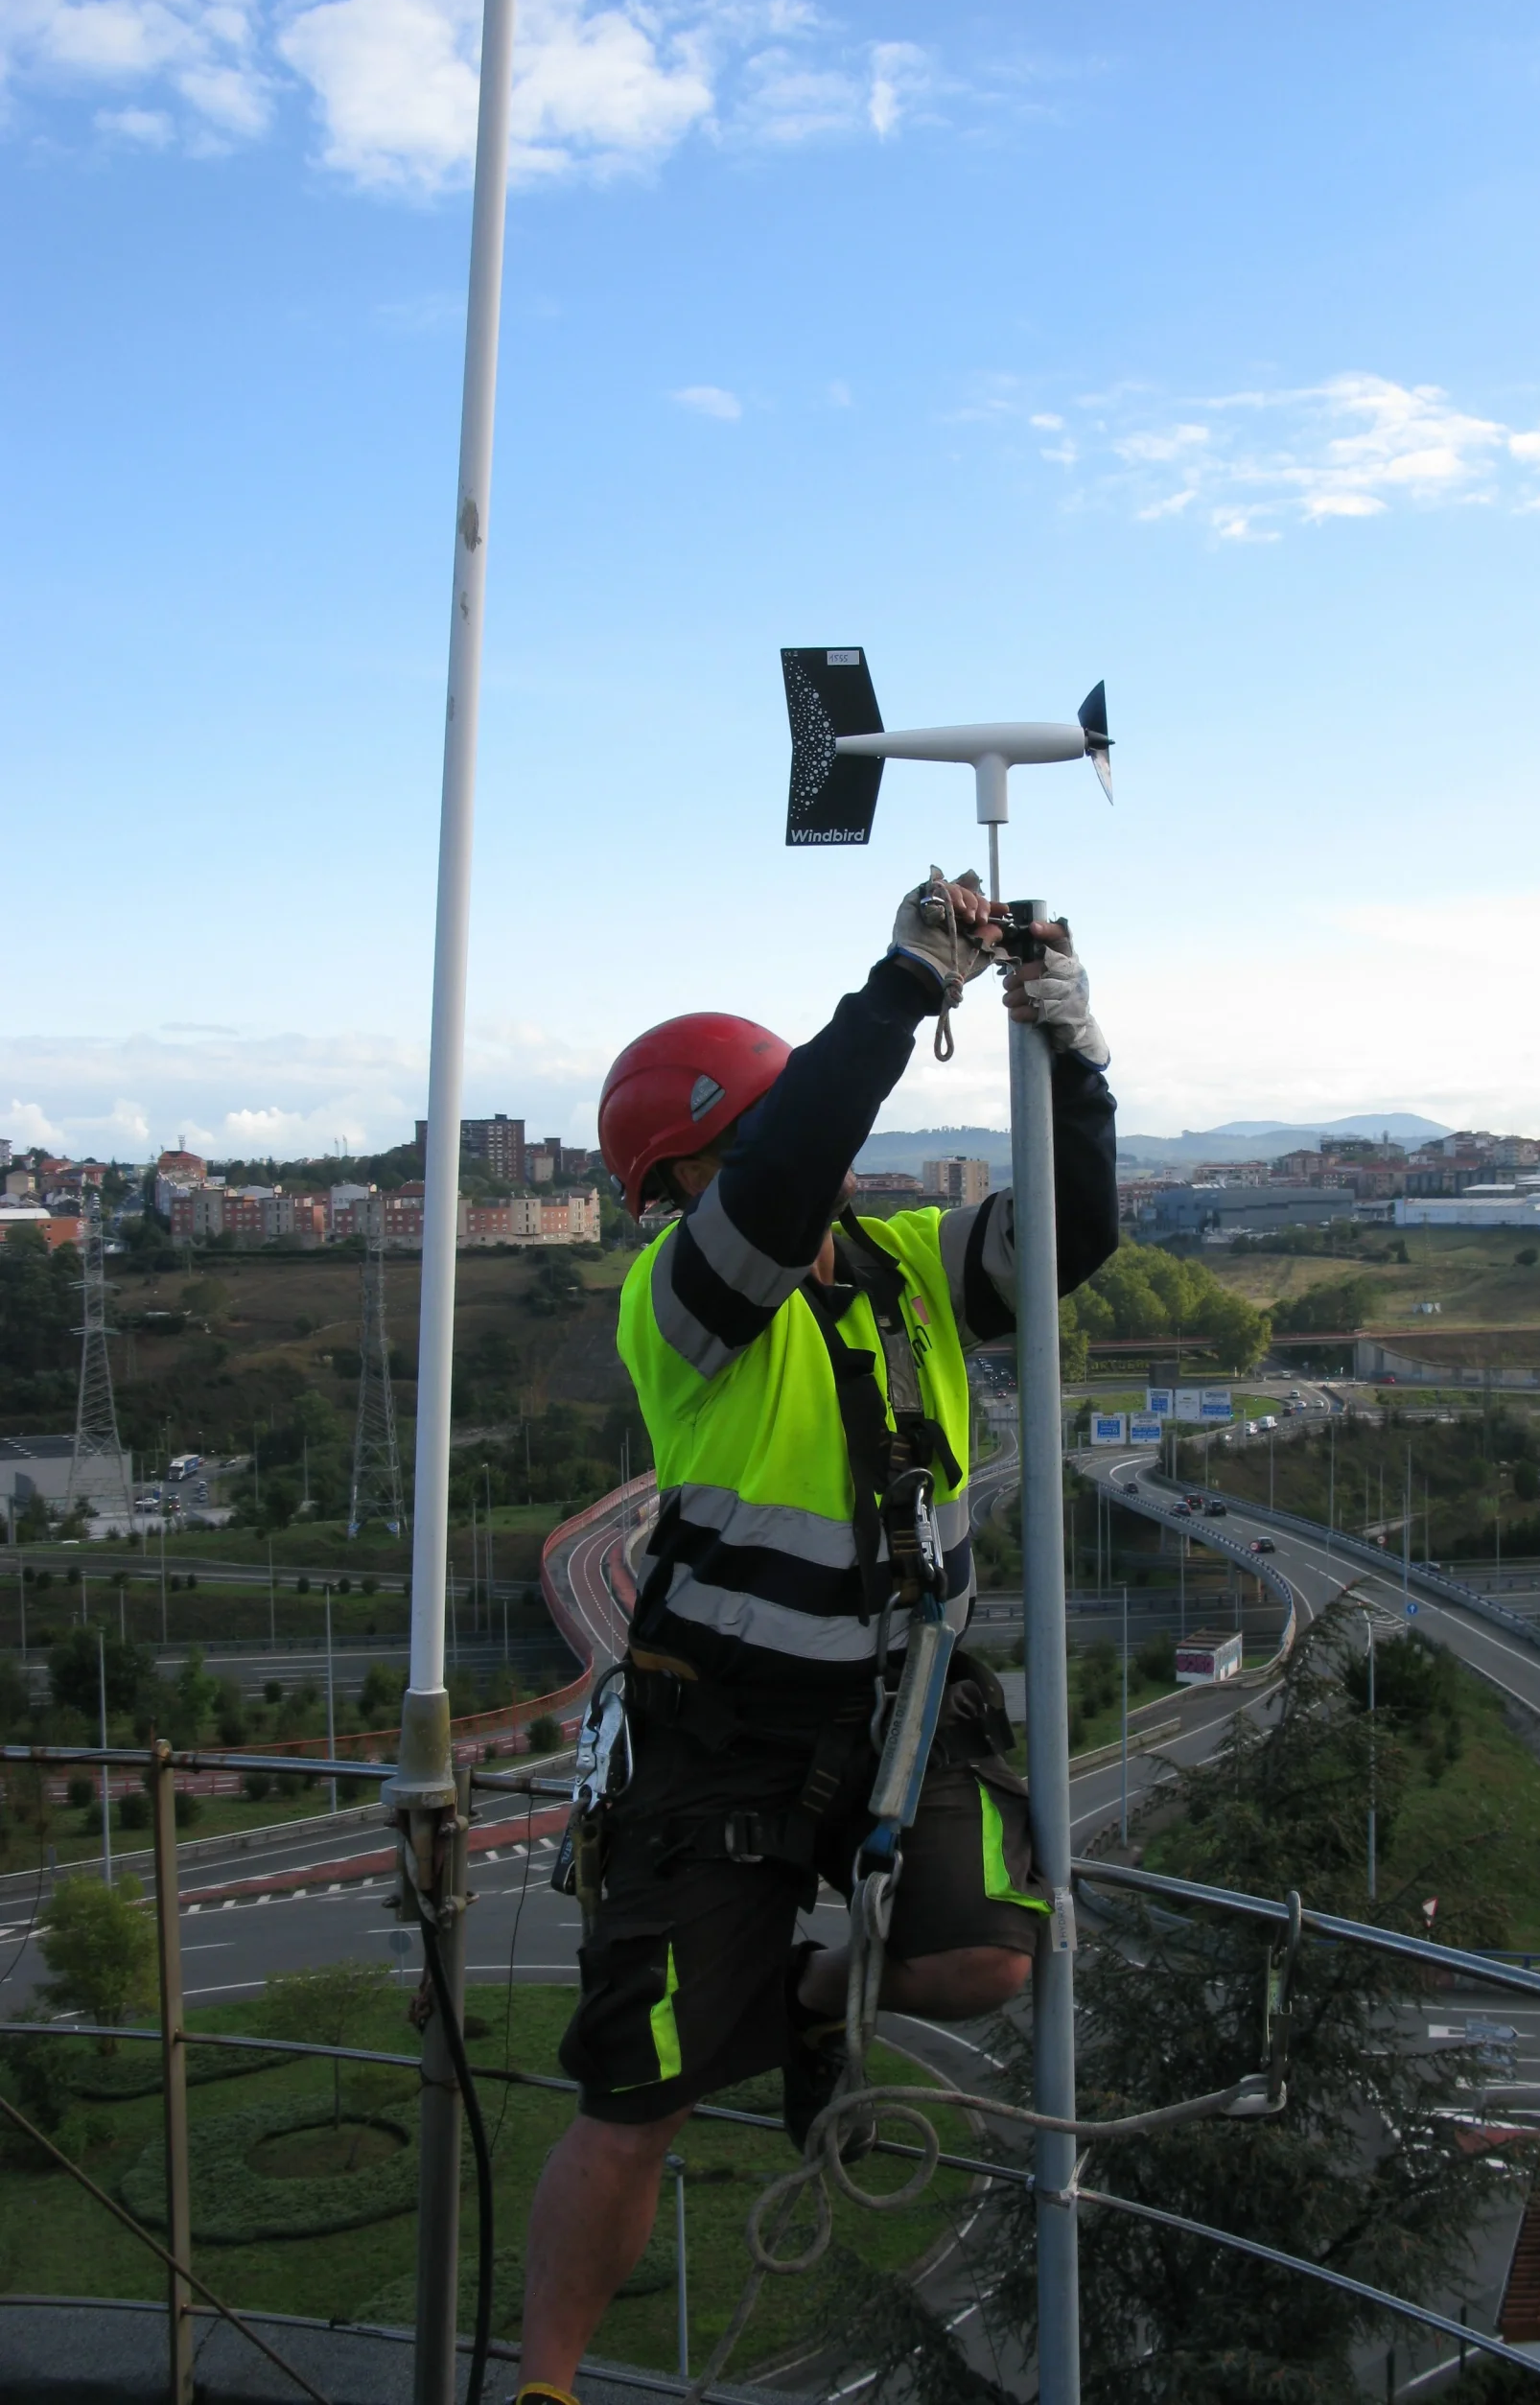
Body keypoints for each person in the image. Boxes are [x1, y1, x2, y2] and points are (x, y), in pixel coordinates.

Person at [514, 872, 1117, 2402]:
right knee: (634, 2092)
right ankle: (547, 2384)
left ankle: (791, 2002)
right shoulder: (688, 1295)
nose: (819, 1160)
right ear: (693, 1173)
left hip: (899, 1712)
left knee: (990, 1957)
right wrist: (905, 986)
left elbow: (1068, 1240)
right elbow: (779, 1184)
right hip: (718, 1738)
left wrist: (1076, 1059)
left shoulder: (909, 1267)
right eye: (763, 1140)